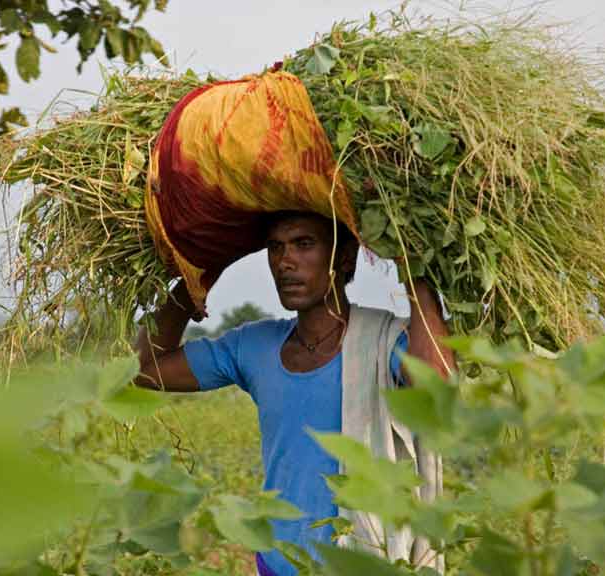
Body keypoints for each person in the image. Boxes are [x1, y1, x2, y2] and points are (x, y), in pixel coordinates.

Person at [134, 210, 455, 576]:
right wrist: (190, 284)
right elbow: (143, 371)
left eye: (304, 244)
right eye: (275, 248)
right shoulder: (254, 346)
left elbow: (437, 389)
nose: (285, 261)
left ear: (345, 258)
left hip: (365, 562)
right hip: (277, 564)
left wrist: (416, 274)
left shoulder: (386, 341)